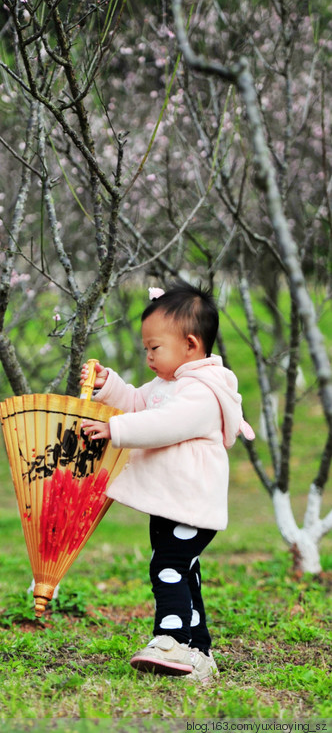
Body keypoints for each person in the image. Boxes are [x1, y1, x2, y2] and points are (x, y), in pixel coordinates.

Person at [80, 281, 254, 684]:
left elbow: (164, 423)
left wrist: (114, 428)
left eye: (154, 348)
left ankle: (171, 640)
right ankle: (199, 652)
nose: (148, 357)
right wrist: (112, 388)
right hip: (173, 503)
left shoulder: (202, 392)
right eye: (146, 349)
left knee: (169, 566)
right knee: (183, 570)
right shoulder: (170, 384)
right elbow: (142, 404)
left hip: (191, 504)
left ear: (190, 345)